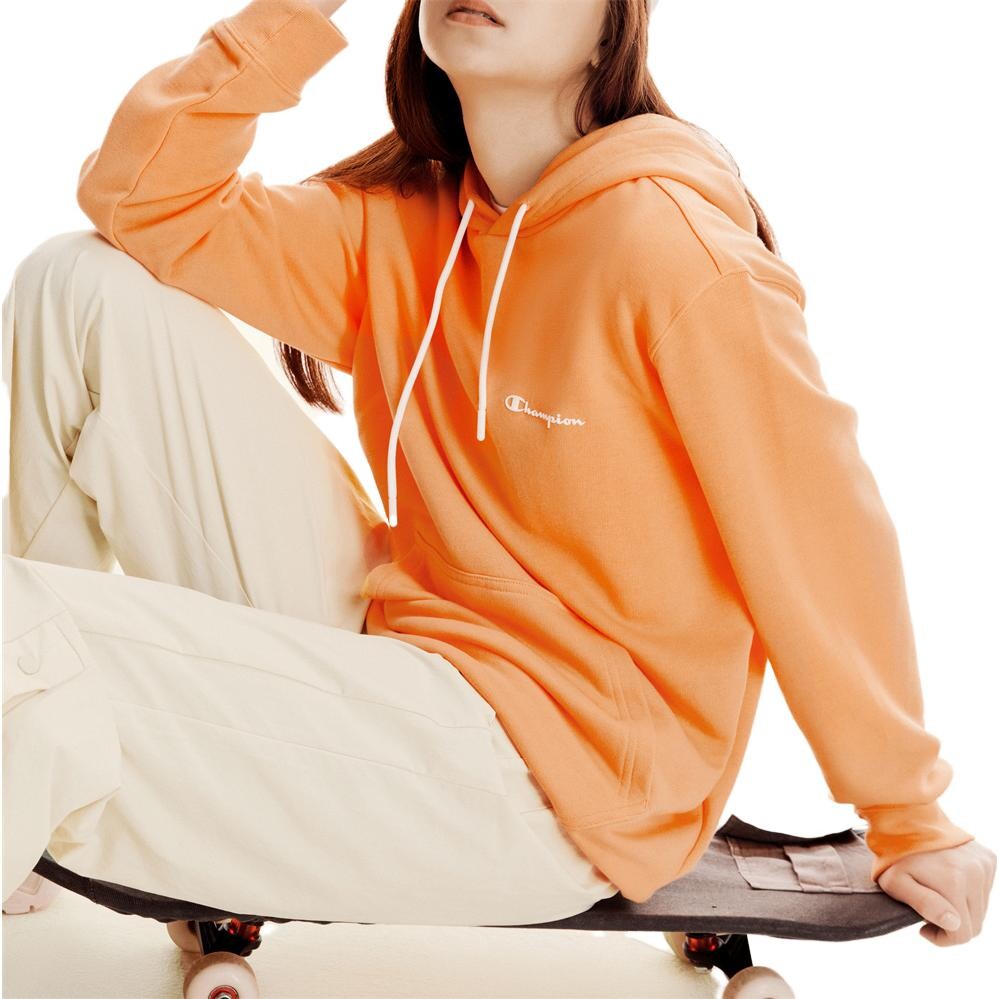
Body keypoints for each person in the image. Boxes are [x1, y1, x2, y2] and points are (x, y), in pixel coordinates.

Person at [3, 0, 993, 945]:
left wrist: (910, 817)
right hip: (407, 644)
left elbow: (816, 535)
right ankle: (45, 731)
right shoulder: (415, 224)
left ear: (612, 27)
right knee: (77, 280)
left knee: (19, 627)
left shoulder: (673, 250)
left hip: (551, 777)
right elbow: (141, 200)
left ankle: (41, 698)